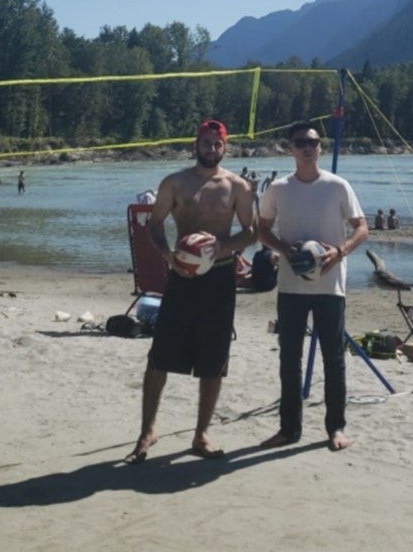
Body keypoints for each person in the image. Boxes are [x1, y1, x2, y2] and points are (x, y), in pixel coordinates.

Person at [125, 119, 257, 465]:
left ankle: (201, 434)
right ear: (195, 145)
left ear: (225, 147)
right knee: (160, 357)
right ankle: (147, 430)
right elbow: (154, 225)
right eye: (206, 143)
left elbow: (251, 232)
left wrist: (223, 246)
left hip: (220, 279)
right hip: (182, 279)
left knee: (214, 361)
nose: (211, 149)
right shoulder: (175, 183)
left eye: (217, 144)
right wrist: (167, 253)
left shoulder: (238, 187)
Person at [257, 121, 369, 452]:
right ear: (290, 148)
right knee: (289, 359)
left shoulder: (338, 186)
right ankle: (288, 429)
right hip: (291, 286)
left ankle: (336, 428)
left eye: (313, 142)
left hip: (330, 286)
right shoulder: (278, 188)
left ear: (321, 148)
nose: (307, 147)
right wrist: (282, 249)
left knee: (333, 358)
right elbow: (261, 228)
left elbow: (361, 227)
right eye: (300, 142)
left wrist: (341, 251)